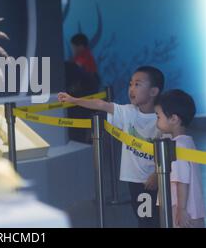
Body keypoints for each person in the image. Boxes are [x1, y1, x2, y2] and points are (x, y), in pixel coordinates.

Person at [58, 66, 165, 228]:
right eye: (130, 84)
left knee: (154, 220)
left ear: (153, 91)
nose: (131, 89)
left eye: (137, 84)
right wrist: (74, 100)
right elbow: (101, 104)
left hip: (154, 181)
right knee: (144, 218)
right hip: (135, 181)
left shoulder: (162, 119)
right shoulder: (128, 112)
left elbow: (170, 150)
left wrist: (157, 175)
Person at [154, 89, 206, 228]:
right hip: (193, 209)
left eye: (158, 116)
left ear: (174, 119)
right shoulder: (187, 141)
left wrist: (181, 210)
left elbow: (182, 181)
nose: (156, 120)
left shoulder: (177, 147)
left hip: (182, 210)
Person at [64, 33, 100, 143]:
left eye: (74, 46)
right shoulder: (82, 57)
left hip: (83, 97)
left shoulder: (83, 58)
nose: (73, 49)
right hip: (83, 97)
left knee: (80, 126)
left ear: (80, 46)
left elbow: (77, 73)